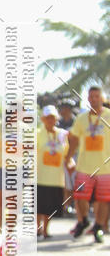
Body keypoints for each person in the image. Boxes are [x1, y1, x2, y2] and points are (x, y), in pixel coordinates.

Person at [66, 86, 110, 243]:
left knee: (103, 200)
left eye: (97, 96)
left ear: (102, 98)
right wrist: (69, 158)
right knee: (79, 197)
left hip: (105, 167)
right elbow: (74, 140)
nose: (94, 99)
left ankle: (98, 227)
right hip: (84, 166)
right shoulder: (81, 118)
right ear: (88, 99)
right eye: (91, 96)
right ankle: (83, 220)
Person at [36, 105, 70, 239]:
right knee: (39, 205)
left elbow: (66, 153)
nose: (50, 120)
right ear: (43, 119)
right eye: (48, 118)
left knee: (50, 207)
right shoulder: (37, 134)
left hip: (56, 177)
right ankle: (38, 229)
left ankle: (46, 230)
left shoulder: (62, 134)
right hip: (40, 176)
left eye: (53, 118)